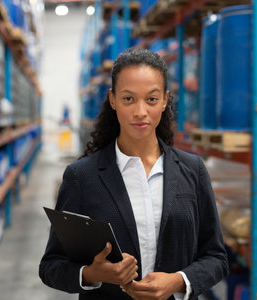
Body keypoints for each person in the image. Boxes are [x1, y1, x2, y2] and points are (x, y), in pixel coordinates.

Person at [39, 48, 228, 300]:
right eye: (129, 99)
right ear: (113, 100)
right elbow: (51, 266)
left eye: (151, 99)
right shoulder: (82, 177)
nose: (140, 112)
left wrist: (177, 281)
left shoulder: (192, 170)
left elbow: (216, 257)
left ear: (164, 100)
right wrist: (92, 274)